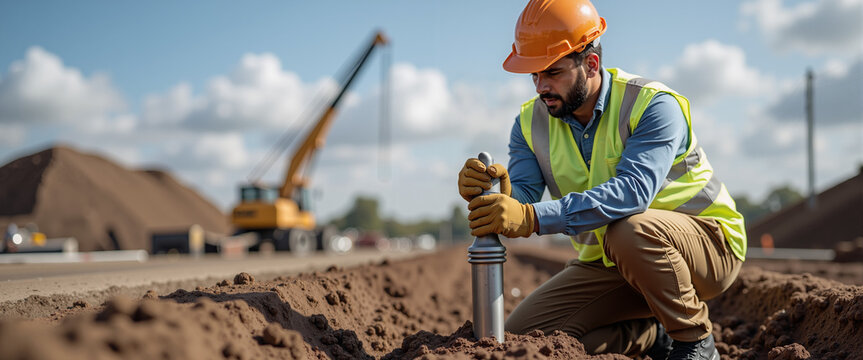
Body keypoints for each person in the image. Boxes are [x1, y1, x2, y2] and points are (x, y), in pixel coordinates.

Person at [457, 0, 746, 359]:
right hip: (613, 260)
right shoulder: (530, 123)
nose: (540, 87)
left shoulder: (652, 104)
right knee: (527, 340)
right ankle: (650, 335)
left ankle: (694, 343)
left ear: (591, 63)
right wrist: (496, 192)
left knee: (629, 230)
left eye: (552, 73)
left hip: (706, 248)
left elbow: (633, 193)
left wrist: (531, 219)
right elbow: (526, 197)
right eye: (534, 75)